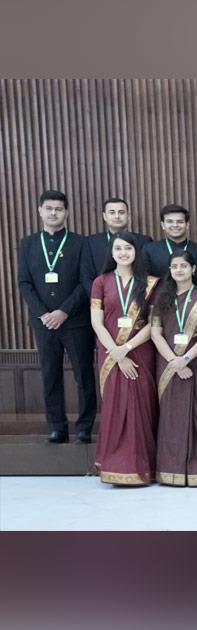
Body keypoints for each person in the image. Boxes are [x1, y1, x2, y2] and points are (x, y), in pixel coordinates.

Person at [18, 190, 98, 444]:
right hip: (43, 323)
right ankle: (57, 427)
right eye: (49, 208)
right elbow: (24, 283)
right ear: (40, 211)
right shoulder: (28, 243)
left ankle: (84, 427)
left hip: (75, 321)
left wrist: (63, 311)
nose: (54, 213)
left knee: (83, 374)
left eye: (59, 209)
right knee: (50, 374)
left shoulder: (81, 243)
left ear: (67, 212)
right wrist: (43, 313)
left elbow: (86, 282)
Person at [90, 232, 159, 485]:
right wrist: (117, 353)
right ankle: (114, 465)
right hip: (110, 353)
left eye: (128, 248)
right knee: (115, 406)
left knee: (141, 407)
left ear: (136, 252)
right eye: (118, 248)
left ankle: (141, 466)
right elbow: (96, 322)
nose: (123, 253)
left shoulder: (150, 283)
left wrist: (127, 347)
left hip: (140, 351)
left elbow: (153, 324)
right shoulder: (101, 282)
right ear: (111, 252)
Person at [149, 251, 197, 486]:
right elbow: (155, 333)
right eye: (175, 266)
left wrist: (186, 358)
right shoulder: (161, 296)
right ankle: (171, 469)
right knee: (171, 415)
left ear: (193, 269)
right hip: (168, 364)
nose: (179, 270)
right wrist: (174, 361)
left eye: (184, 266)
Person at [82, 197, 151, 291]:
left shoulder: (144, 241)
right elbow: (86, 277)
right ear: (104, 216)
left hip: (136, 296)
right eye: (112, 212)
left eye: (121, 212)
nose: (117, 216)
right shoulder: (91, 242)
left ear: (128, 215)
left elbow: (147, 274)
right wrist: (98, 296)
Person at [143, 204, 197, 278]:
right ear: (163, 225)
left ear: (187, 225)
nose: (175, 225)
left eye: (180, 221)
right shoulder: (149, 250)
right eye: (170, 221)